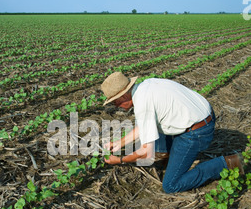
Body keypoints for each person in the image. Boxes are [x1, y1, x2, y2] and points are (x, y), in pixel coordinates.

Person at [101, 71, 244, 194]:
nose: (116, 106)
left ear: (124, 95)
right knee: (157, 147)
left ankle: (230, 163)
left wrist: (119, 160)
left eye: (115, 101)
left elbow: (146, 153)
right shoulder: (146, 85)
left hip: (197, 131)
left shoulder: (142, 104)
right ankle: (172, 155)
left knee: (171, 185)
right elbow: (143, 127)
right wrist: (119, 143)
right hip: (202, 115)